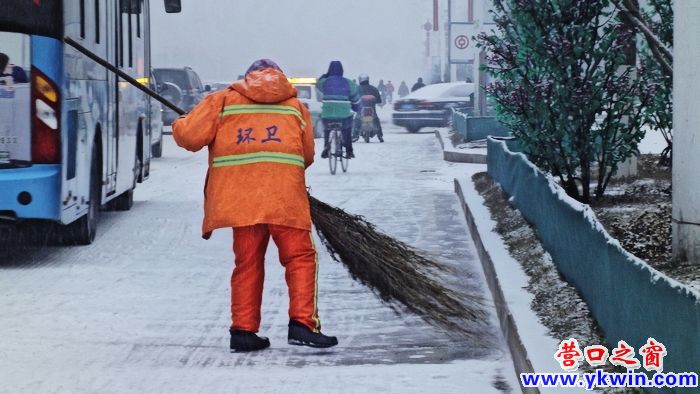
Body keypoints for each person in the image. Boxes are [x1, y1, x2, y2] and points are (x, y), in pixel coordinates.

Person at [172, 59, 338, 352]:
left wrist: (182, 121)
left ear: (248, 77)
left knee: (248, 263)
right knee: (300, 258)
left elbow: (189, 138)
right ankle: (302, 324)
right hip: (285, 198)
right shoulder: (295, 108)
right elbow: (308, 155)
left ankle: (244, 331)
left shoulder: (223, 100)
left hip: (242, 201)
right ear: (279, 76)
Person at [317, 60, 360, 159]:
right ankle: (349, 151)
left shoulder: (325, 82)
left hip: (327, 115)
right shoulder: (348, 83)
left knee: (327, 129)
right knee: (347, 129)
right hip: (343, 115)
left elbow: (318, 84)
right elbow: (356, 99)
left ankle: (326, 147)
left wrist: (325, 75)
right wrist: (356, 108)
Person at [353, 73, 383, 142]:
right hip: (372, 109)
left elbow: (353, 98)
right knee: (376, 120)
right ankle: (380, 135)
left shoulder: (356, 89)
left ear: (360, 80)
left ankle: (355, 136)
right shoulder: (374, 89)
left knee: (357, 120)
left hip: (360, 109)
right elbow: (379, 100)